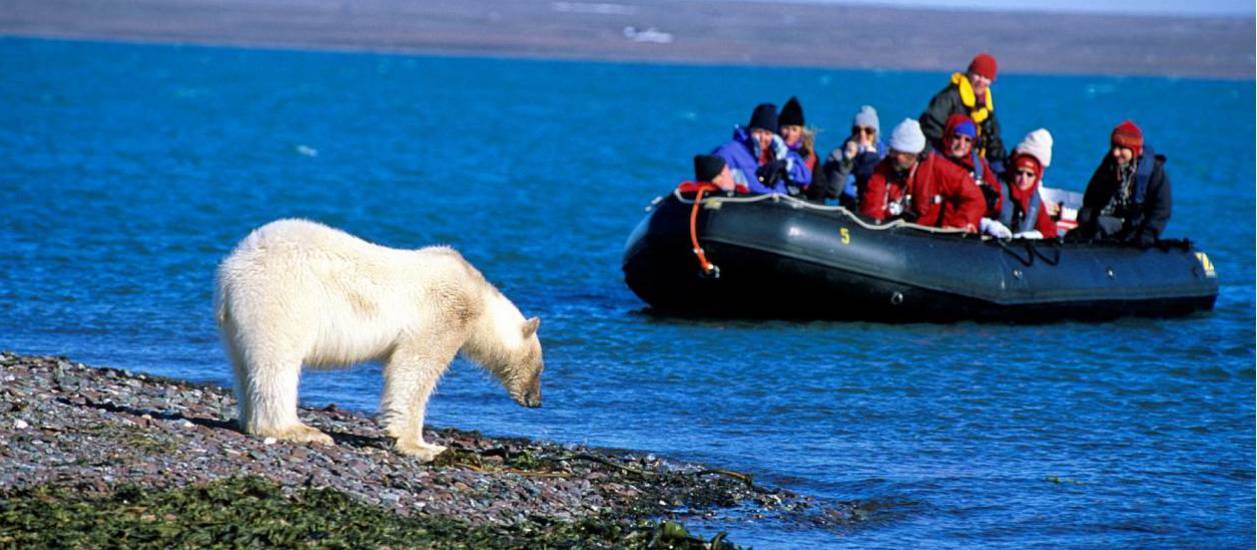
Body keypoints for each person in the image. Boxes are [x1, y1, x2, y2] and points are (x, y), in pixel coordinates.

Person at [859, 119, 985, 232]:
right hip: (895, 235)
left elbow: (974, 198)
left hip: (933, 238)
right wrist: (875, 229)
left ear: (913, 154)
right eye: (892, 151)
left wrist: (958, 226)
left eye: (899, 153)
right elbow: (872, 204)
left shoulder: (940, 169)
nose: (893, 157)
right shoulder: (883, 169)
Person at [1068, 120, 1171, 245]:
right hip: (1108, 221)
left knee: (1103, 224)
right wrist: (1086, 219)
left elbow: (1161, 209)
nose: (1116, 153)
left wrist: (1147, 235)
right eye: (1114, 147)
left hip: (1135, 228)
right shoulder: (1109, 166)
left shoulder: (1154, 172)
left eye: (1122, 148)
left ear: (1134, 149)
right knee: (1077, 232)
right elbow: (1091, 197)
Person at [919, 52, 1008, 174]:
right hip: (946, 154)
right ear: (969, 73)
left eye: (986, 78)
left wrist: (1002, 162)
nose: (981, 81)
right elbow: (930, 125)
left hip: (974, 159)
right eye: (978, 75)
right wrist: (950, 150)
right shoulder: (949, 97)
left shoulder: (986, 106)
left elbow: (993, 138)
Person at [711, 103, 812, 195]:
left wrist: (785, 165)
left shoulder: (780, 152)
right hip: (744, 207)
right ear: (750, 130)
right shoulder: (731, 152)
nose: (763, 138)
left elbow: (805, 177)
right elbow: (711, 171)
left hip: (777, 209)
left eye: (767, 133)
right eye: (758, 132)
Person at [808, 105, 886, 208]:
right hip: (847, 212)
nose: (862, 135)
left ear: (875, 134)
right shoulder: (838, 155)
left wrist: (869, 157)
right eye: (857, 130)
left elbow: (872, 190)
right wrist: (846, 161)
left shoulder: (885, 159)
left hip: (872, 213)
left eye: (868, 131)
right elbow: (833, 192)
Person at [994, 129, 1059, 239]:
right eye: (1019, 173)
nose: (1024, 179)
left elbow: (1049, 230)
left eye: (1029, 175)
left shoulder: (1034, 199)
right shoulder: (998, 190)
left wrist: (1037, 235)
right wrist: (987, 224)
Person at [937, 113, 1001, 219]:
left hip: (968, 224)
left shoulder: (978, 165)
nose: (961, 145)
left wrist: (990, 200)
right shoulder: (935, 161)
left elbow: (998, 199)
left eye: (967, 140)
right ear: (948, 136)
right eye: (957, 137)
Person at [777, 96, 818, 173]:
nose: (789, 134)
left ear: (801, 131)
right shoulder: (770, 151)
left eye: (794, 129)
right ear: (779, 128)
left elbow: (819, 184)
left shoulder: (809, 155)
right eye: (786, 128)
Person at [676, 154, 749, 197]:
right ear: (719, 179)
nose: (732, 178)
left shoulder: (683, 196)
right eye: (728, 173)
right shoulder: (735, 201)